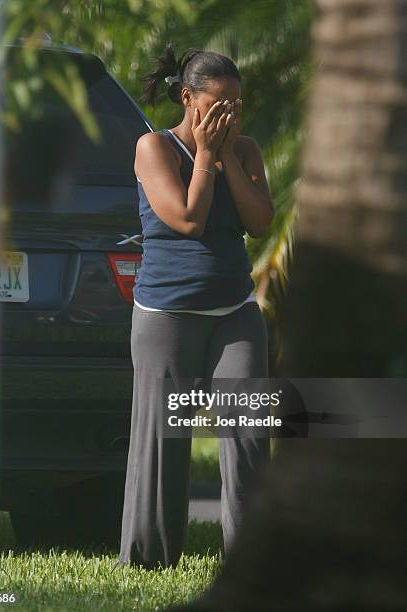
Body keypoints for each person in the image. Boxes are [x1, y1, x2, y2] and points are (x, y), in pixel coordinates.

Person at [119, 42, 275, 570]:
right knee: (162, 438)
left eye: (236, 104)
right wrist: (205, 155)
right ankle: (149, 560)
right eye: (218, 104)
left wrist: (227, 152)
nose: (229, 115)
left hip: (234, 311)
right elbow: (186, 219)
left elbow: (259, 223)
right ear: (188, 98)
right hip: (167, 316)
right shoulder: (153, 148)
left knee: (251, 432)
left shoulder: (246, 149)